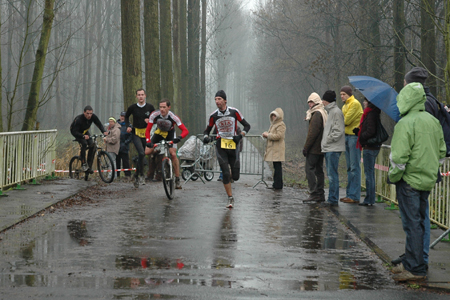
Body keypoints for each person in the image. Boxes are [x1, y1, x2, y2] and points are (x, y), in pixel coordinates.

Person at [389, 82, 446, 282]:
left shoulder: (405, 123)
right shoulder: (432, 121)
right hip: (427, 180)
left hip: (409, 181)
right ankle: (416, 262)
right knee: (420, 222)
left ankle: (415, 268)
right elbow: (441, 152)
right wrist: (431, 169)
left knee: (411, 224)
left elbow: (398, 158)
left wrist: (394, 177)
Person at [203, 90, 251, 208]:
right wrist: (205, 137)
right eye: (215, 99)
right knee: (225, 172)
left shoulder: (234, 112)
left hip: (233, 144)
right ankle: (230, 198)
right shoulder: (213, 115)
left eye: (219, 99)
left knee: (235, 176)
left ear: (225, 100)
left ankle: (231, 174)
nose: (217, 101)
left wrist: (240, 136)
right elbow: (207, 130)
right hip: (221, 145)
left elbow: (247, 125)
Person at [144, 99, 189, 189]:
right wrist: (148, 141)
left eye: (164, 107)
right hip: (159, 133)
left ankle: (177, 178)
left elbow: (185, 130)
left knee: (173, 154)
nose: (162, 109)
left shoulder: (173, 117)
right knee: (147, 151)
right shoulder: (154, 115)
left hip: (170, 134)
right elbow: (148, 130)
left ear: (169, 107)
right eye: (160, 107)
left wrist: (179, 138)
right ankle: (158, 152)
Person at [125, 89, 155, 187]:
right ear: (136, 96)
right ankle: (141, 174)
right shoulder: (132, 107)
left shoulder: (150, 107)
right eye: (139, 95)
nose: (141, 96)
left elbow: (156, 118)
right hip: (136, 133)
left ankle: (136, 175)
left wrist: (151, 121)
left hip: (146, 134)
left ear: (145, 96)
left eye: (142, 95)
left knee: (142, 155)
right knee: (141, 153)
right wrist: (128, 126)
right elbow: (126, 117)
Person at [354, 98, 382, 206]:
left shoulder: (370, 114)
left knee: (369, 174)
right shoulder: (373, 113)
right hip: (372, 147)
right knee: (370, 173)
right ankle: (370, 198)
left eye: (365, 101)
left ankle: (369, 199)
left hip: (369, 147)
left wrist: (361, 135)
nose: (364, 103)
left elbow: (371, 131)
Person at [320, 90, 345, 207]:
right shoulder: (331, 112)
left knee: (332, 175)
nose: (322, 102)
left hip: (333, 148)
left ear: (327, 101)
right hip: (330, 148)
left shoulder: (335, 112)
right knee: (331, 174)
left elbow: (338, 131)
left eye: (323, 100)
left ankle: (333, 199)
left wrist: (328, 139)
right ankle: (331, 198)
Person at [339, 86, 363, 204]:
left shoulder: (355, 104)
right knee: (349, 167)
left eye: (343, 94)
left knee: (354, 167)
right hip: (347, 136)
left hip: (354, 137)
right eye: (341, 94)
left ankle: (354, 195)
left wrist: (339, 122)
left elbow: (345, 121)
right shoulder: (344, 106)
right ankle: (349, 194)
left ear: (349, 94)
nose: (342, 96)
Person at [303, 93, 327, 202]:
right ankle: (320, 193)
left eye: (312, 102)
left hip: (315, 148)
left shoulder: (317, 114)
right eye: (308, 102)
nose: (309, 104)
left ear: (317, 102)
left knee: (310, 169)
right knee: (319, 170)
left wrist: (306, 147)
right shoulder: (322, 112)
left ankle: (314, 192)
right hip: (321, 147)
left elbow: (312, 133)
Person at [70, 105, 108, 173]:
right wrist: (82, 136)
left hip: (85, 131)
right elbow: (74, 131)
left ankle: (89, 165)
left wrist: (104, 131)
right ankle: (83, 163)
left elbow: (99, 124)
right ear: (84, 112)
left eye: (91, 113)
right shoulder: (79, 119)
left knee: (92, 145)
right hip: (76, 132)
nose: (89, 115)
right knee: (84, 144)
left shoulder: (93, 116)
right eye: (87, 113)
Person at [262, 108, 286, 190]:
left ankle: (278, 185)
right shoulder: (273, 125)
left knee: (278, 167)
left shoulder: (281, 125)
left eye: (275, 115)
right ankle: (276, 184)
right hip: (274, 149)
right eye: (272, 115)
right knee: (276, 167)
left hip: (277, 149)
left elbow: (279, 136)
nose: (273, 117)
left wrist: (268, 135)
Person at [117, 111, 133, 180]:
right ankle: (117, 175)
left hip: (124, 146)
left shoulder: (129, 125)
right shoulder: (116, 124)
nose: (122, 117)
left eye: (124, 116)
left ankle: (128, 175)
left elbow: (131, 136)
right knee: (117, 161)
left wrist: (126, 143)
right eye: (121, 116)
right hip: (116, 146)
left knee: (125, 162)